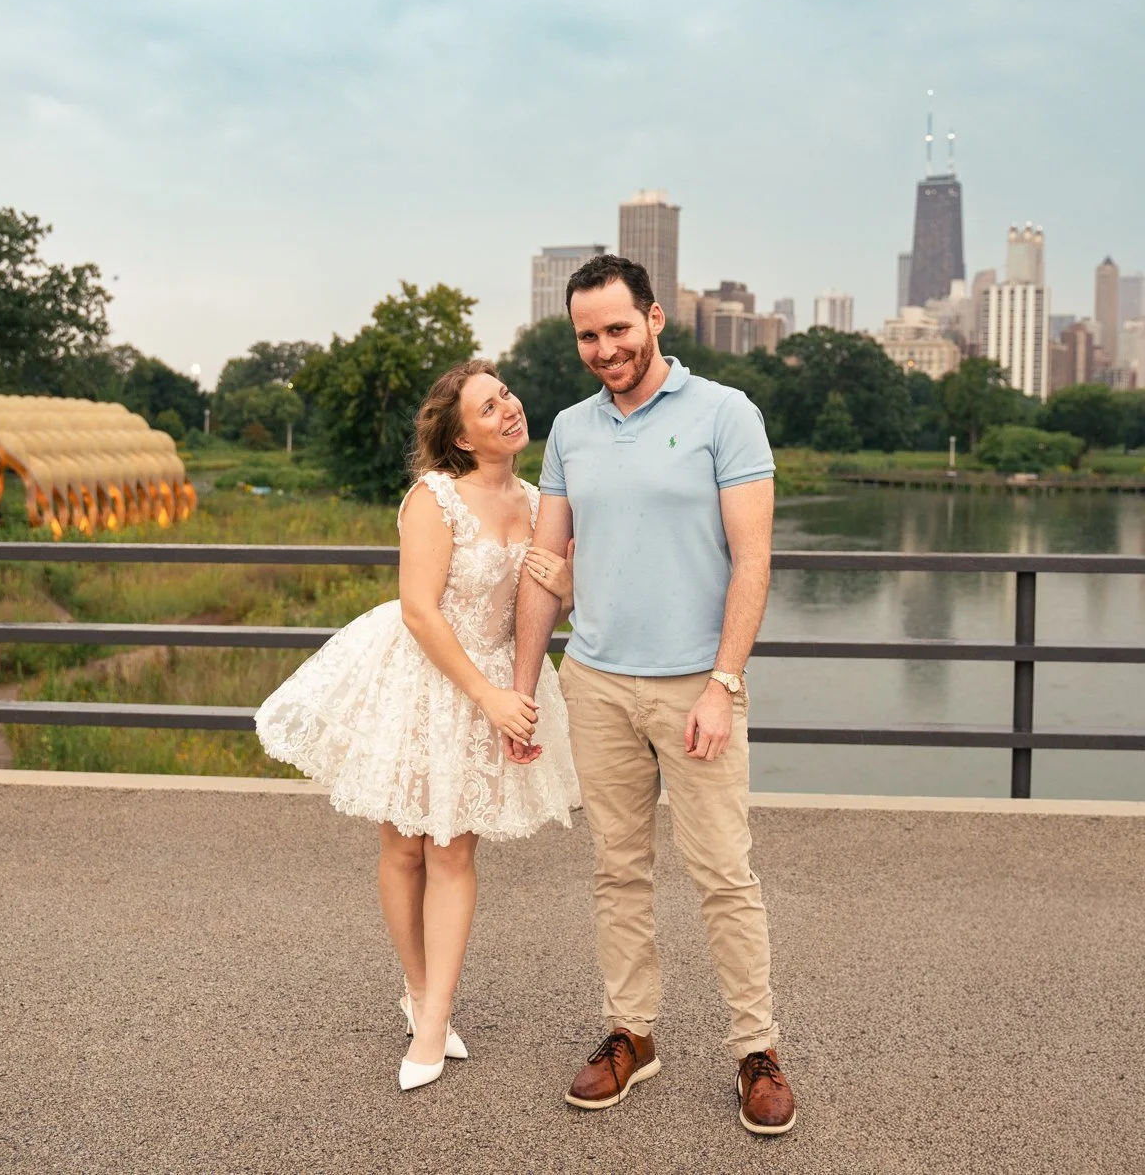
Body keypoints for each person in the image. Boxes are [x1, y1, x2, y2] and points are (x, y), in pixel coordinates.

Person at [513, 255, 797, 1136]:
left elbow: (752, 559)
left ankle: (758, 1049)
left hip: (694, 686)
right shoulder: (569, 428)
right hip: (594, 682)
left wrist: (723, 683)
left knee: (722, 873)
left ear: (656, 318)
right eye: (588, 336)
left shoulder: (725, 413)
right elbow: (547, 567)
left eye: (618, 330)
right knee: (617, 869)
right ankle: (632, 1034)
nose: (604, 349)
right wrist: (522, 691)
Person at [257, 359, 580, 1092]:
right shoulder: (434, 498)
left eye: (507, 396)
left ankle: (435, 1015)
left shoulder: (540, 501)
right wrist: (485, 698)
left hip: (494, 681)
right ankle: (414, 987)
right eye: (488, 406)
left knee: (453, 849)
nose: (509, 409)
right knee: (403, 846)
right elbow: (420, 610)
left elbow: (549, 599)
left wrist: (565, 593)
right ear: (461, 437)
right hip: (422, 678)